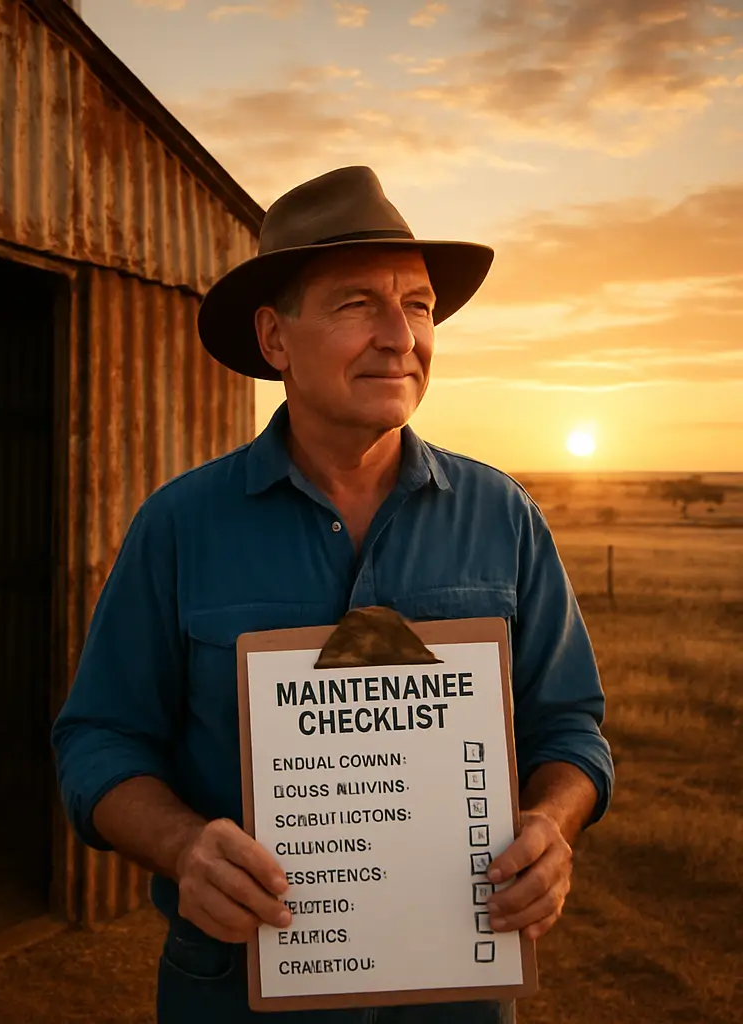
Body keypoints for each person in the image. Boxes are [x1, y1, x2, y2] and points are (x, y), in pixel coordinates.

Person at [50, 166, 615, 1023]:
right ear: (276, 340)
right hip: (237, 993)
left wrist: (552, 825)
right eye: (358, 304)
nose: (401, 336)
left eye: (419, 305)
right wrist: (183, 846)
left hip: (456, 993)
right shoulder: (179, 526)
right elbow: (98, 743)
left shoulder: (504, 518)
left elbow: (570, 729)